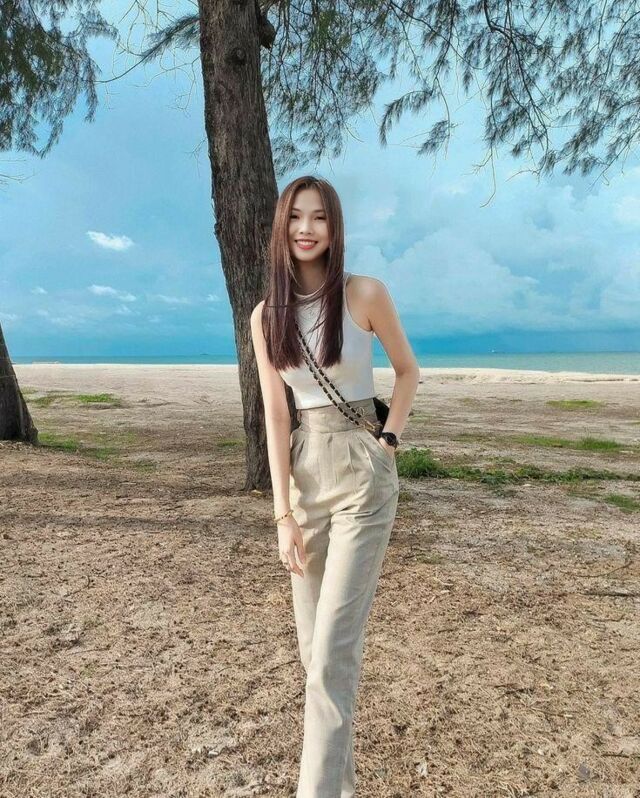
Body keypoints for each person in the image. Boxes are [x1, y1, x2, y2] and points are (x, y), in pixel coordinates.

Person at [250, 175, 420, 797]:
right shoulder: (266, 315)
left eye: (319, 217)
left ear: (334, 226)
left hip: (361, 473)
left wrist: (387, 441)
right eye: (296, 216)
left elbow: (407, 372)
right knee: (311, 652)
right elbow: (276, 416)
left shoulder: (363, 293)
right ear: (282, 225)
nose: (306, 228)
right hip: (305, 477)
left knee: (330, 656)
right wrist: (282, 515)